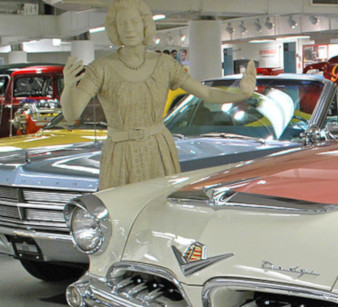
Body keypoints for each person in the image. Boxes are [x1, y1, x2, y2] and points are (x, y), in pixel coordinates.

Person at [60, 0, 257, 189]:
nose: (129, 29)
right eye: (122, 23)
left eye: (134, 22)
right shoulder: (101, 68)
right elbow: (72, 114)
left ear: (145, 25)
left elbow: (206, 92)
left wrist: (241, 93)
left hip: (158, 149)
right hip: (121, 152)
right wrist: (69, 86)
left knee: (160, 210)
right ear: (114, 28)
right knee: (124, 212)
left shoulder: (164, 65)